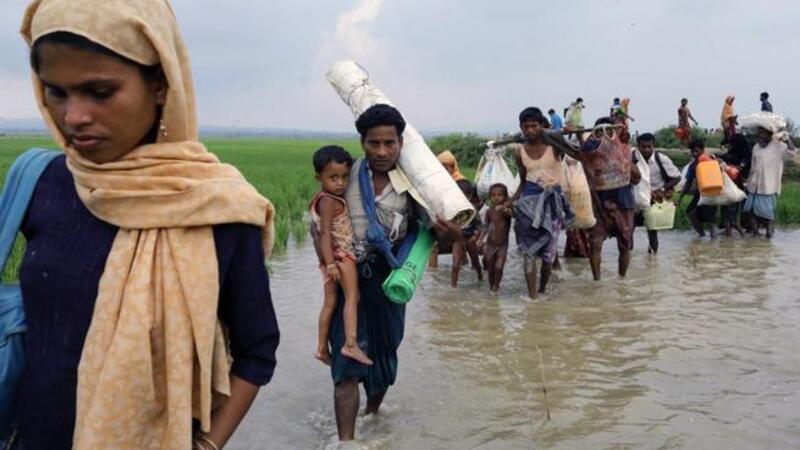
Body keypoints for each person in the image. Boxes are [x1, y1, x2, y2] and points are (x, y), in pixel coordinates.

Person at [14, 1, 280, 448]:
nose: (74, 116)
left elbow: (257, 353)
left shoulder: (218, 208)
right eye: (55, 92)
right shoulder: (42, 182)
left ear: (160, 83)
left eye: (99, 91)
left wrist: (208, 445)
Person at [330, 104, 462, 441]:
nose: (382, 152)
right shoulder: (347, 176)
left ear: (401, 143)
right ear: (362, 142)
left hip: (389, 281)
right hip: (349, 279)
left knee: (384, 357)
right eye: (373, 143)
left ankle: (372, 415)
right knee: (346, 365)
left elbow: (435, 233)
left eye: (389, 143)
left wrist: (450, 235)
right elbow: (323, 216)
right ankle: (346, 443)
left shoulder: (415, 185)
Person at [309, 146, 372, 366]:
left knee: (330, 301)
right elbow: (325, 233)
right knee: (353, 297)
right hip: (341, 257)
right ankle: (351, 344)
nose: (341, 183)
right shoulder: (329, 201)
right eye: (333, 177)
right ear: (319, 178)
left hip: (329, 259)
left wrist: (327, 263)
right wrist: (332, 264)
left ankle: (321, 348)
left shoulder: (322, 198)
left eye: (345, 177)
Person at [510, 107, 575, 298]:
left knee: (549, 255)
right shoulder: (519, 152)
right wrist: (511, 201)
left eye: (534, 126)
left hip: (552, 204)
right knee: (528, 252)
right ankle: (533, 298)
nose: (530, 130)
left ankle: (542, 289)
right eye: (526, 126)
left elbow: (578, 153)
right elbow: (523, 181)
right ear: (521, 127)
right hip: (528, 206)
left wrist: (569, 135)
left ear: (541, 126)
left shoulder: (555, 147)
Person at [579, 117, 641, 280]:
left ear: (615, 132)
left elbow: (637, 178)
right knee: (595, 243)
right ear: (594, 134)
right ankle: (597, 282)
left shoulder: (626, 151)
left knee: (625, 245)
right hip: (598, 204)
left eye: (608, 131)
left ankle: (622, 279)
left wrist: (622, 160)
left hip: (623, 203)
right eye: (600, 132)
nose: (604, 135)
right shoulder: (589, 152)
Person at [742, 126, 797, 237]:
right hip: (754, 185)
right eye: (759, 133)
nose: (760, 136)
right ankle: (756, 235)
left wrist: (787, 139)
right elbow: (753, 166)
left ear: (769, 134)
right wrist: (748, 180)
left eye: (762, 133)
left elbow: (792, 153)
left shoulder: (779, 146)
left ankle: (769, 235)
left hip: (768, 186)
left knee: (767, 215)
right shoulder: (756, 147)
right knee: (749, 211)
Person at [633, 133, 681, 253]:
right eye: (643, 147)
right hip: (636, 199)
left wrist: (663, 189)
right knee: (628, 229)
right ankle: (628, 256)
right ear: (638, 146)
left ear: (653, 146)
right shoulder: (632, 159)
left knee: (652, 231)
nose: (646, 150)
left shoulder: (662, 159)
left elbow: (677, 177)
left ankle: (652, 257)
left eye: (649, 146)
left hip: (653, 199)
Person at [679, 140, 719, 238]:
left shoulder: (711, 161)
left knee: (711, 219)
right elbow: (688, 182)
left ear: (702, 150)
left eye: (696, 151)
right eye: (692, 151)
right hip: (700, 192)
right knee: (690, 212)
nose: (694, 154)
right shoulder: (693, 165)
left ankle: (714, 241)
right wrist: (681, 197)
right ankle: (702, 235)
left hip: (711, 192)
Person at [478, 183, 513, 293]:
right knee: (491, 268)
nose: (496, 197)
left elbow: (513, 214)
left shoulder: (505, 211)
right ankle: (491, 288)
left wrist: (507, 210)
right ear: (489, 198)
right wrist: (480, 239)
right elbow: (485, 226)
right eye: (493, 195)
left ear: (505, 197)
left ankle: (496, 286)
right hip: (490, 244)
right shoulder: (489, 211)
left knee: (499, 267)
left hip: (502, 245)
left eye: (499, 195)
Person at [451, 179, 483, 287]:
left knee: (476, 263)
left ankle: (480, 278)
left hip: (470, 239)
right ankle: (453, 288)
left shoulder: (472, 209)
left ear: (469, 196)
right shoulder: (453, 208)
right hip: (458, 240)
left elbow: (480, 225)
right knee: (455, 265)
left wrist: (476, 236)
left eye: (463, 196)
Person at [718, 133, 752, 236]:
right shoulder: (746, 157)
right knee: (732, 211)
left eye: (732, 144)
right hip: (737, 187)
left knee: (729, 211)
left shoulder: (736, 157)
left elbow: (736, 170)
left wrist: (723, 162)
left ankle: (730, 233)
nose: (730, 146)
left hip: (733, 187)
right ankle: (735, 232)